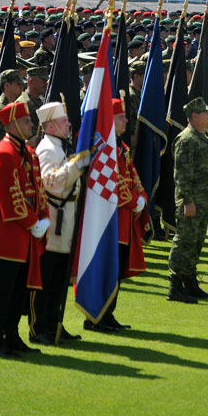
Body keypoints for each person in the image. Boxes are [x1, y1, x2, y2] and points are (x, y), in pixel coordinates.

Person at [0, 101, 49, 358]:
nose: (31, 125)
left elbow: (38, 190)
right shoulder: (3, 153)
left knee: (18, 292)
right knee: (1, 293)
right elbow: (10, 198)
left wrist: (44, 218)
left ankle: (12, 336)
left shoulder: (29, 153)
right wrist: (33, 222)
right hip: (4, 236)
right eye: (27, 121)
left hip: (24, 235)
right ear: (14, 124)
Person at [89, 98, 148, 332]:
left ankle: (108, 314)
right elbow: (110, 183)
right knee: (106, 270)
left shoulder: (120, 146)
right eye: (121, 117)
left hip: (123, 220)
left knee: (116, 271)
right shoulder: (104, 148)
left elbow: (131, 175)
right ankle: (96, 316)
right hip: (110, 220)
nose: (126, 120)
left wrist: (141, 195)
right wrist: (135, 200)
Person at [31, 101, 87, 346]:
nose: (69, 124)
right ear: (51, 125)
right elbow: (49, 183)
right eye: (64, 121)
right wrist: (75, 166)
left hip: (66, 223)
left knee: (59, 280)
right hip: (52, 223)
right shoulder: (47, 149)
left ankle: (55, 324)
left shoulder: (59, 147)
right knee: (46, 279)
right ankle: (39, 327)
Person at [168, 97, 208, 303]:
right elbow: (182, 174)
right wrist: (187, 200)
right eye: (206, 112)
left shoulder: (202, 136)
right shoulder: (187, 139)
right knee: (185, 241)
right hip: (192, 201)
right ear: (195, 116)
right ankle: (175, 285)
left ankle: (189, 282)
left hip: (203, 200)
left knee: (196, 242)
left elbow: (200, 167)